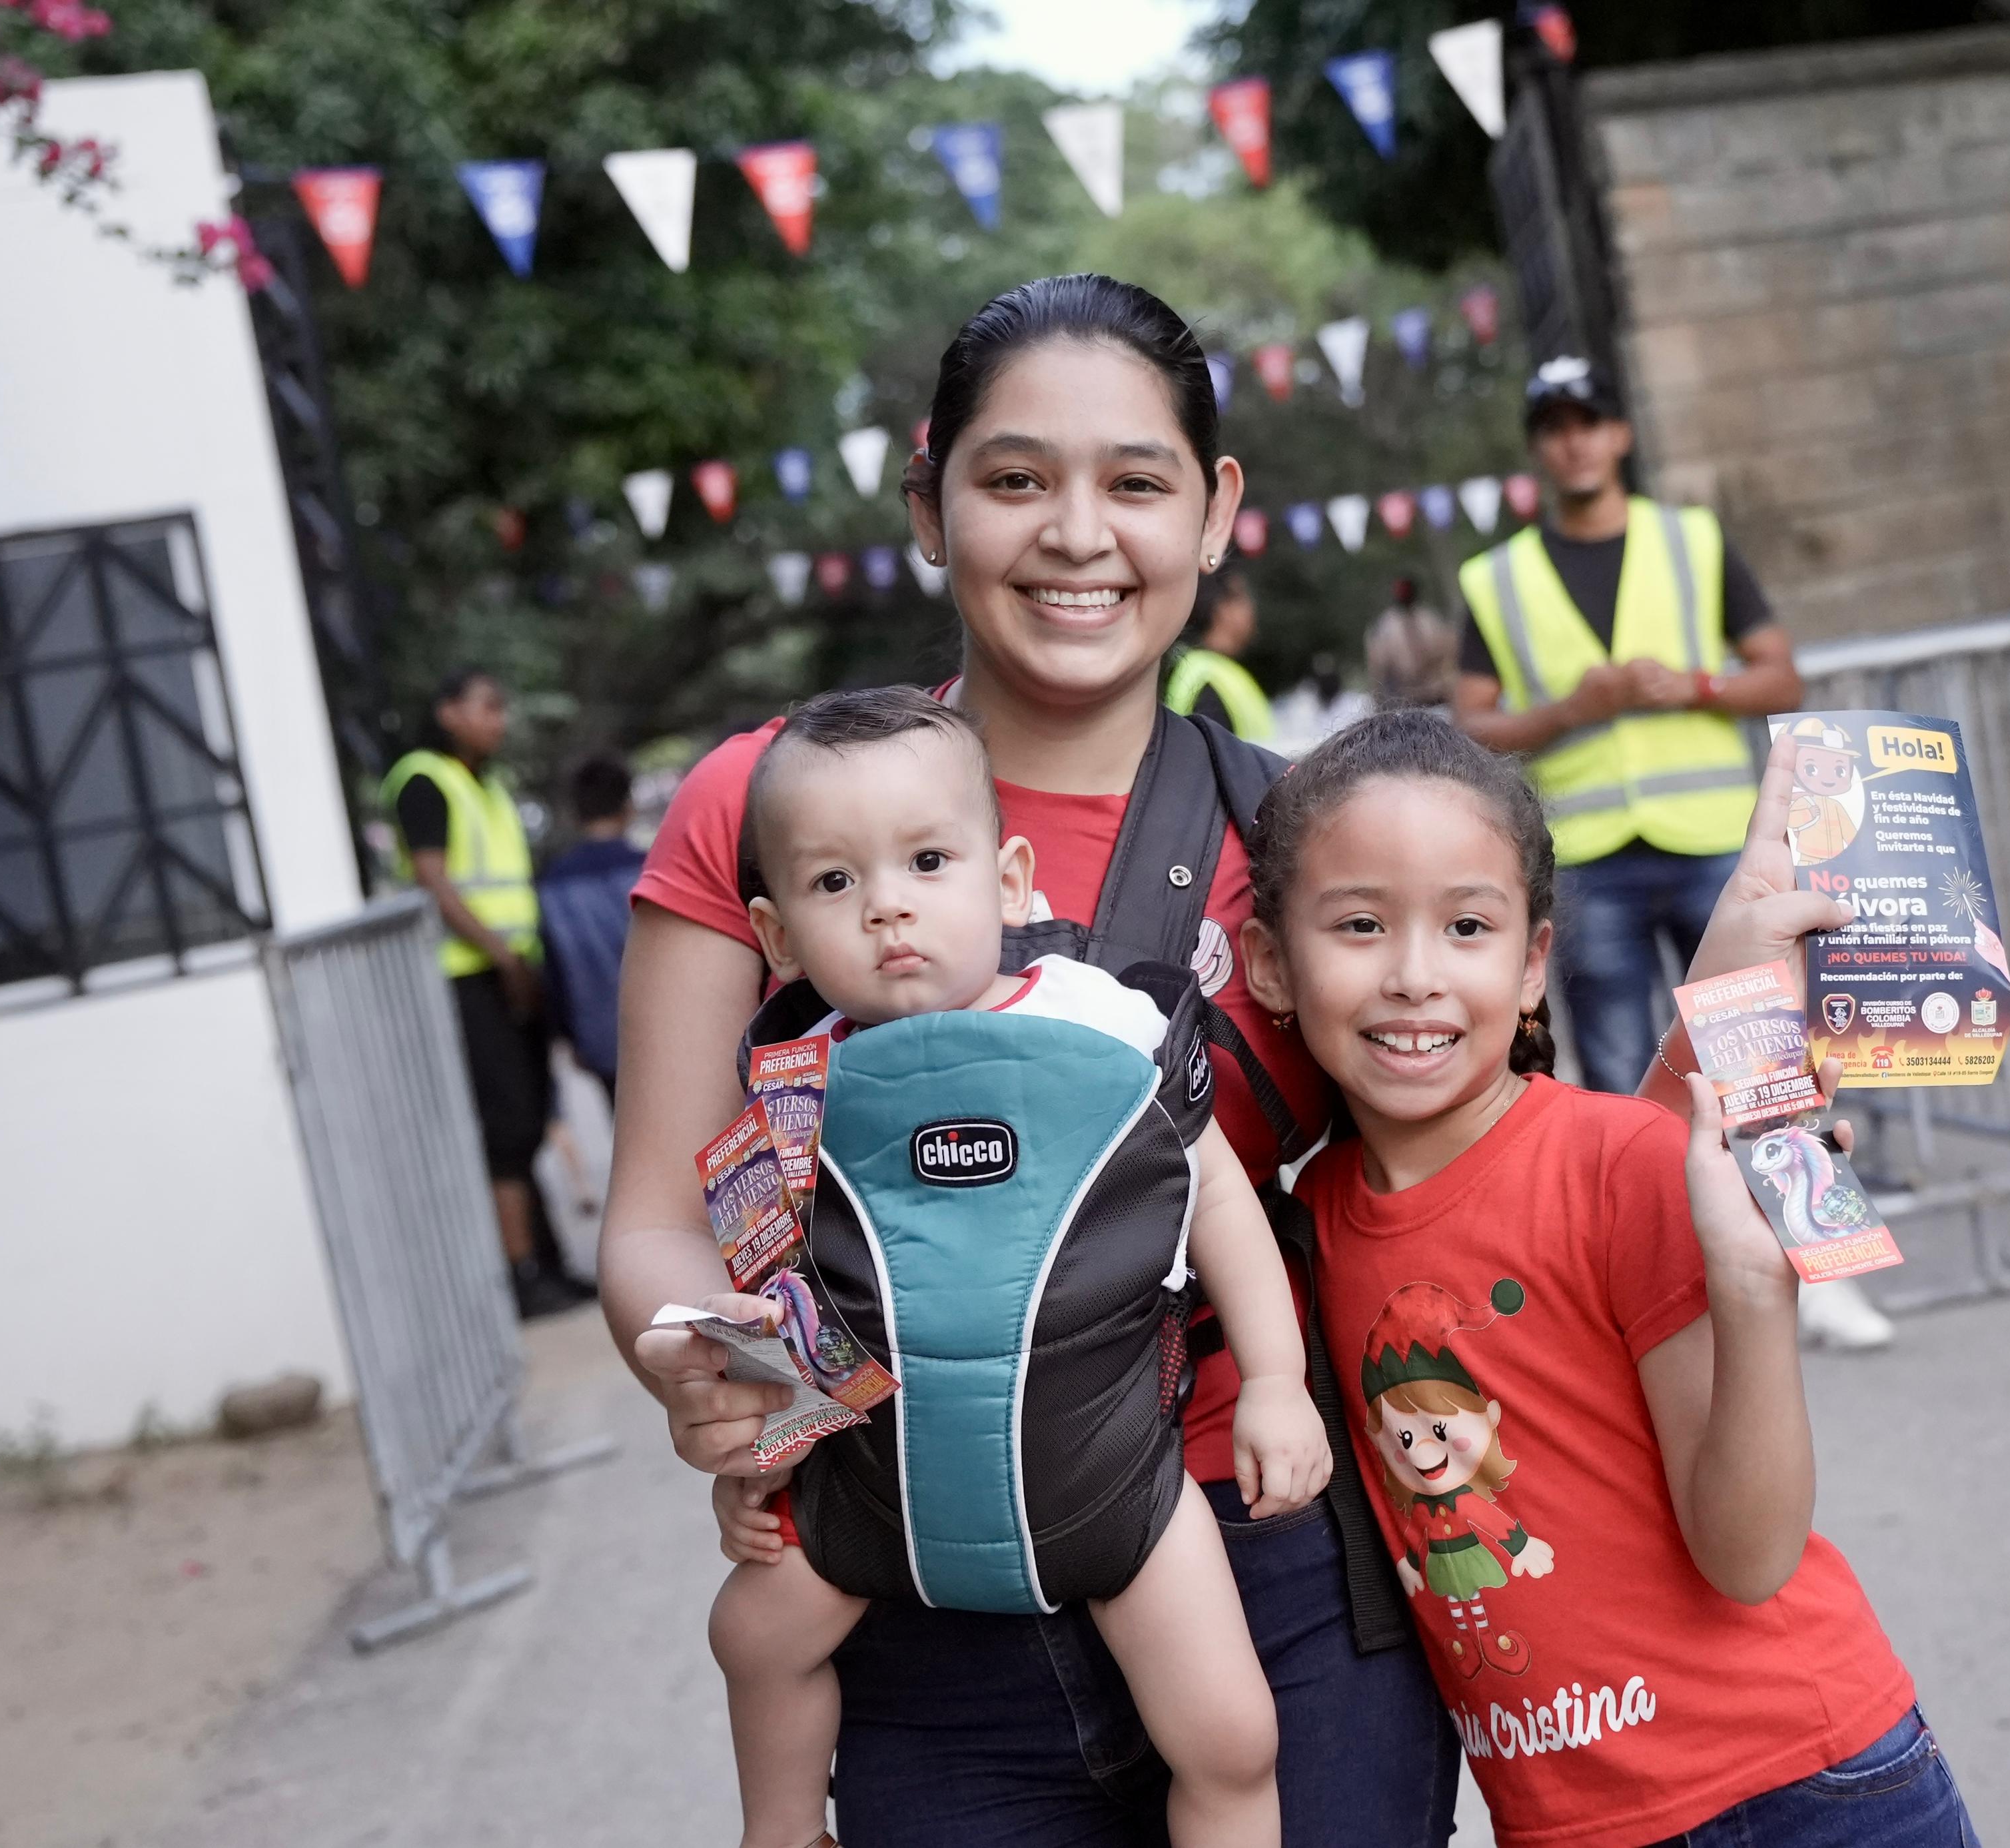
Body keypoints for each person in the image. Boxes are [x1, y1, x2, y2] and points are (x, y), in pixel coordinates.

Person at [602, 274, 1459, 1847]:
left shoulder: (1310, 832)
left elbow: (1475, 1189)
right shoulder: (765, 804)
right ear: (928, 501)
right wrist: (708, 1371)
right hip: (920, 1577)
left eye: (1135, 483)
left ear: (1213, 515)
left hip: (1268, 1572)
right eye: (1014, 480)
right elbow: (659, 1215)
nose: (1078, 534)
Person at [1240, 711, 1980, 1848]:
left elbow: (1751, 1554)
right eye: (1358, 924)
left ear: (1533, 963)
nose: (1413, 974)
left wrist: (1752, 1297)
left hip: (1804, 1792)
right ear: (1271, 964)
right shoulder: (1304, 1222)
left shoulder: (1627, 1162)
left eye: (1468, 925)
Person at [702, 689, 1322, 1848]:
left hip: (1118, 1481)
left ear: (1007, 878)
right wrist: (755, 1453)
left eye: (928, 859)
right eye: (834, 883)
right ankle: (782, 1829)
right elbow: (775, 1286)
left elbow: (1219, 1198)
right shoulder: (792, 1084)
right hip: (878, 1489)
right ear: (778, 933)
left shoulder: (1102, 1022)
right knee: (752, 1633)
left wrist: (1278, 1379)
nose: (888, 904)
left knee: (1233, 1735)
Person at [1452, 356, 1888, 1354]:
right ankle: (1667, 1296)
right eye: (1555, 423)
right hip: (1592, 855)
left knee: (1771, 1062)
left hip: (1711, 848)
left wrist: (1690, 684)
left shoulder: (1692, 540)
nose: (1574, 439)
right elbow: (1472, 723)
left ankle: (1820, 1270)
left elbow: (1780, 667)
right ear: (1538, 444)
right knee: (1624, 1083)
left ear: (1620, 434)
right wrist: (1576, 710)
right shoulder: (1498, 576)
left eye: (1590, 419)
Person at [384, 668, 587, 1319]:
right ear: (448, 711)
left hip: (511, 971)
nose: (498, 719)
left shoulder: (487, 785)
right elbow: (433, 881)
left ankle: (551, 1265)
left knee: (529, 1120)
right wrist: (500, 956)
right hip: (468, 975)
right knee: (506, 1128)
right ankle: (523, 1273)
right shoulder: (424, 779)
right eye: (486, 707)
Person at [538, 754, 644, 1097]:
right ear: (628, 805)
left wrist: (567, 1034)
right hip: (663, 1032)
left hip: (598, 1037)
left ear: (577, 813)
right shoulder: (651, 869)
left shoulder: (552, 882)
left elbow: (553, 967)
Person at [1165, 564, 1275, 743]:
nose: (1251, 610)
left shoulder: (1212, 671)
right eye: (1243, 598)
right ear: (1222, 609)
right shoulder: (1207, 679)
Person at [1365, 578, 1458, 711]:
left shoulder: (1431, 619)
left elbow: (1450, 654)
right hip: (1405, 702)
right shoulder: (1385, 627)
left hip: (1439, 696)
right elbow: (1377, 670)